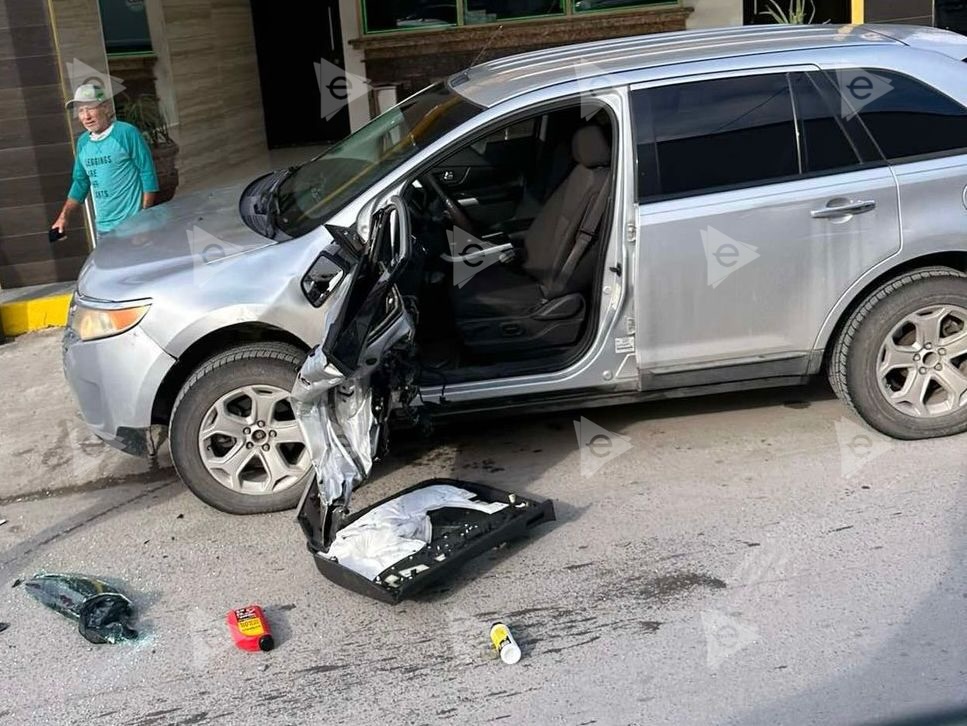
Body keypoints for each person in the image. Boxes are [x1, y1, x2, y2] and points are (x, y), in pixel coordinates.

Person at [51, 83, 159, 236]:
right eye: (81, 110)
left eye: (90, 108)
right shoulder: (83, 142)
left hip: (134, 226)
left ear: (106, 107)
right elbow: (80, 182)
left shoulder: (126, 133)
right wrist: (63, 217)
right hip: (103, 229)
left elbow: (147, 173)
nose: (86, 116)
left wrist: (143, 217)